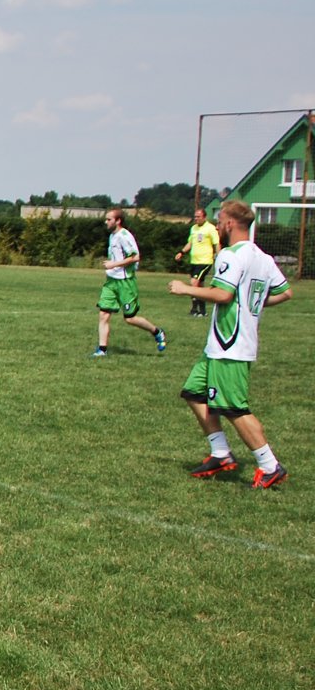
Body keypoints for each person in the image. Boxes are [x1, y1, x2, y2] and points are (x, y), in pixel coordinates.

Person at [168, 199, 291, 488]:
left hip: (230, 344)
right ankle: (221, 453)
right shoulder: (263, 257)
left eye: (220, 220)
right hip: (221, 346)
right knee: (194, 393)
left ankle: (270, 465)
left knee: (235, 408)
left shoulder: (230, 255)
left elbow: (223, 295)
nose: (218, 225)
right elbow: (285, 292)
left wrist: (185, 289)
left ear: (230, 223)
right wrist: (253, 304)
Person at [92, 207, 165, 357]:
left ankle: (157, 332)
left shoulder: (124, 236)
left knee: (130, 318)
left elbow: (135, 257)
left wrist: (114, 264)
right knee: (103, 314)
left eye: (109, 219)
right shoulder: (112, 235)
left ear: (118, 221)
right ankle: (102, 350)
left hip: (125, 282)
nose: (106, 222)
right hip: (111, 281)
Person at [174, 207, 221, 317]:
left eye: (198, 217)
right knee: (199, 286)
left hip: (205, 261)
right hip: (194, 261)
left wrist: (220, 257)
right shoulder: (194, 228)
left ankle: (194, 309)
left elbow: (216, 243)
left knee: (193, 283)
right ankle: (203, 311)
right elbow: (190, 243)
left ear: (204, 217)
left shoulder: (210, 228)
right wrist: (181, 252)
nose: (196, 219)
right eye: (195, 217)